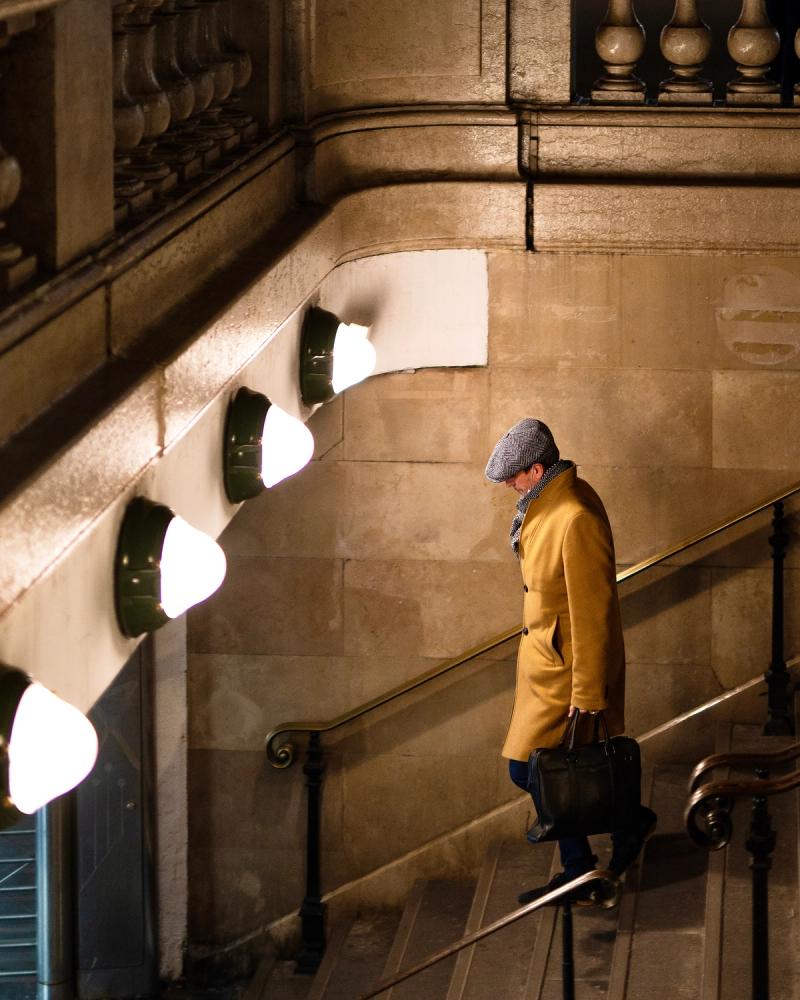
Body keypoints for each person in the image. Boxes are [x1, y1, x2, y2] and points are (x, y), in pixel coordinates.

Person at [485, 418, 656, 907]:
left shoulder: (574, 514)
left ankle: (596, 854)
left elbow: (594, 612)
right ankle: (596, 856)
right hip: (545, 664)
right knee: (542, 769)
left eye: (514, 477)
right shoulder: (547, 503)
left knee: (528, 768)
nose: (508, 487)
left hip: (565, 674)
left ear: (537, 469)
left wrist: (589, 695)